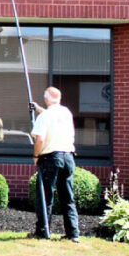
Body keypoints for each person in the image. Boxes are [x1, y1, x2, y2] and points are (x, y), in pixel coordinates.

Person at [30, 86, 79, 242]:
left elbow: (40, 139)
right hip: (68, 157)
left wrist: (36, 155)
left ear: (46, 98)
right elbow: (51, 117)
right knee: (67, 196)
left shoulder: (44, 117)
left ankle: (43, 231)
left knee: (45, 195)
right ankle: (73, 234)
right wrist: (38, 109)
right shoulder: (66, 113)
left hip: (51, 158)